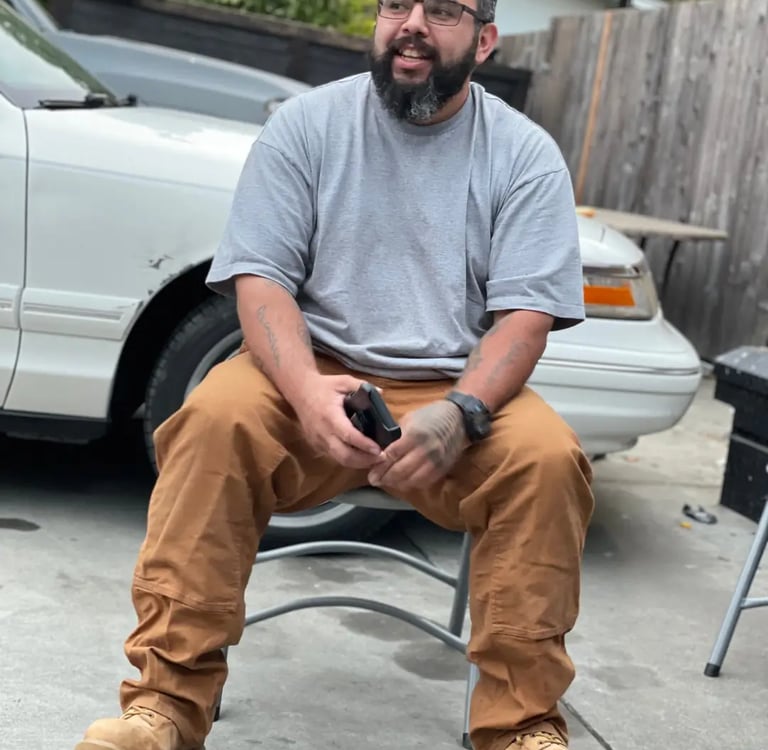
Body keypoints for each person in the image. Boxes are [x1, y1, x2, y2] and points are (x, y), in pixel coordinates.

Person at [74, 1, 595, 749]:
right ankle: (165, 706)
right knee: (214, 421)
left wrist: (461, 414)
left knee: (547, 461)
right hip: (308, 372)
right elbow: (261, 281)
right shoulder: (305, 126)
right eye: (395, 4)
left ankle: (520, 726)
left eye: (442, 10)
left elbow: (524, 319)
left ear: (484, 41)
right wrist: (305, 393)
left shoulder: (524, 153)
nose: (412, 23)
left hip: (455, 385)